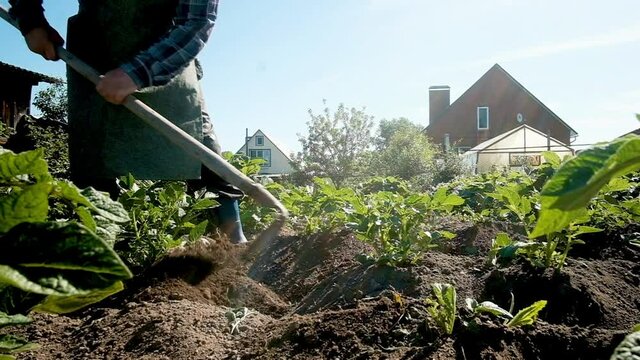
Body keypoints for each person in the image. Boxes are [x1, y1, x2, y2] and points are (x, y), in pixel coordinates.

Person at [9, 0, 248, 244]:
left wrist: (138, 73)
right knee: (94, 157)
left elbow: (196, 22)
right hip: (95, 52)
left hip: (167, 53)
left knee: (199, 146)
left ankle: (232, 242)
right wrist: (31, 20)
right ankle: (105, 250)